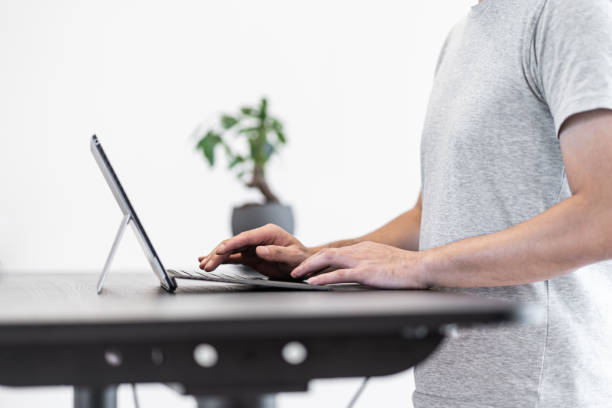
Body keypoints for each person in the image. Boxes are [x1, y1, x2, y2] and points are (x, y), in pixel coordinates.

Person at [199, 0, 612, 406]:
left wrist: (419, 267)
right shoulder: (463, 36)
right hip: (448, 386)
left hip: (538, 393)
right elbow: (428, 215)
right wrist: (317, 258)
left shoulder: (566, 10)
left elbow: (603, 215)